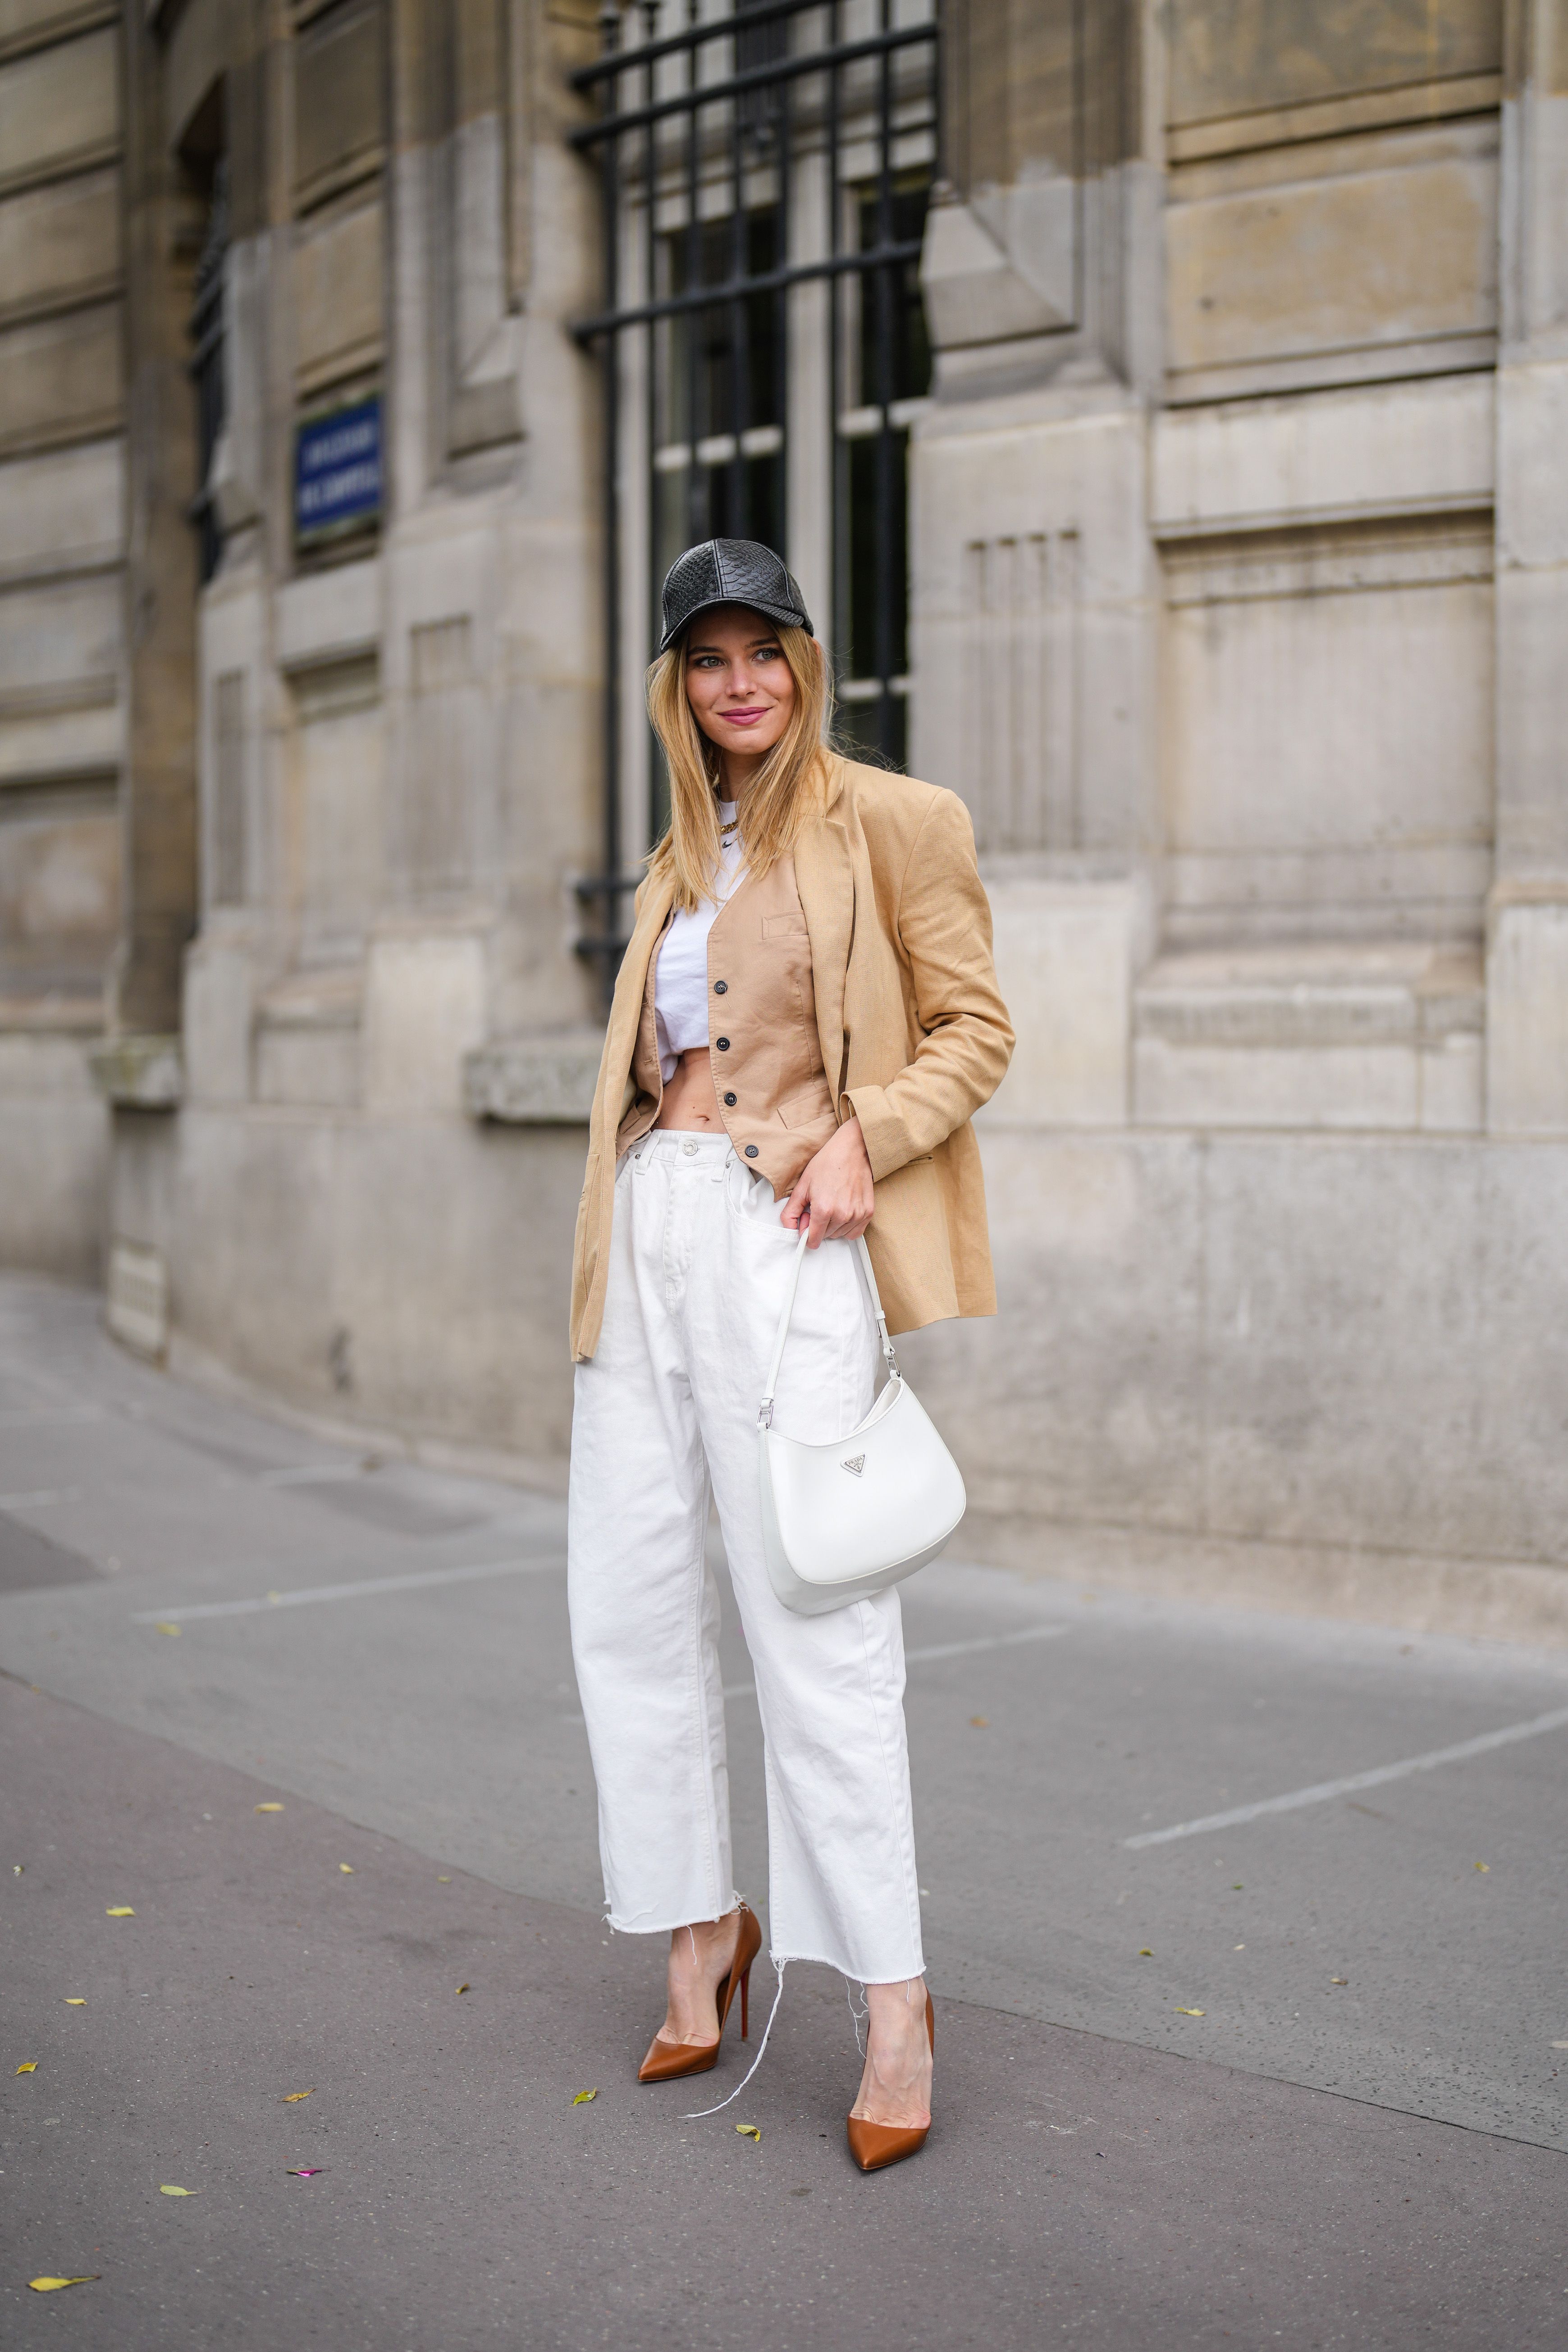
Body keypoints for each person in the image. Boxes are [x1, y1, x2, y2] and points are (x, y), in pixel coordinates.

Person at [567, 537, 1013, 2171]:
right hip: (648, 1233)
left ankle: (895, 2002)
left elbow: (978, 1028)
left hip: (790, 1245)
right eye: (707, 658)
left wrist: (864, 1137)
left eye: (764, 650)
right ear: (677, 688)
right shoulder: (677, 854)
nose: (737, 680)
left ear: (806, 664)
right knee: (629, 1602)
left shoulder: (896, 821)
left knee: (818, 1623)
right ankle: (702, 1932)